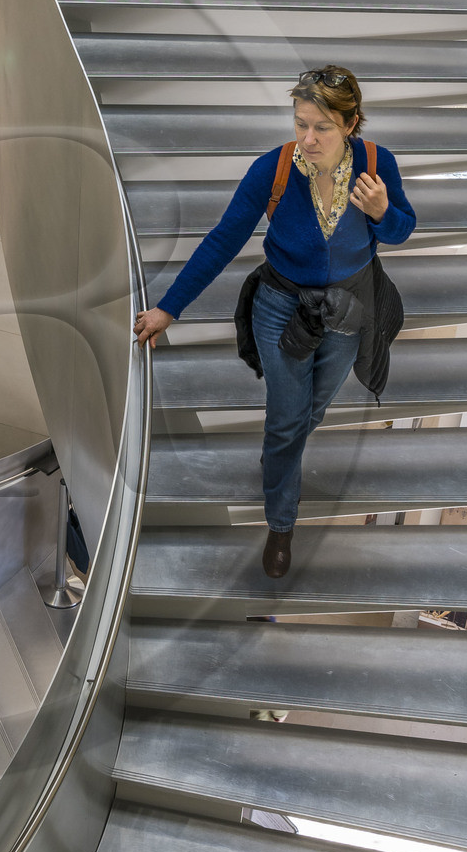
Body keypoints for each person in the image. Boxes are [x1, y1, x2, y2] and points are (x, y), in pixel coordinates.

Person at [133, 65, 415, 578]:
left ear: (351, 124)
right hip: (281, 307)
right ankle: (282, 524)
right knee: (287, 421)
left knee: (312, 411)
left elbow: (402, 230)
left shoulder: (377, 165)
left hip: (350, 310)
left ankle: (279, 457)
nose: (307, 139)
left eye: (322, 127)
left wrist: (381, 212)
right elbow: (223, 240)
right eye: (300, 123)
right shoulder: (274, 170)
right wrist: (169, 308)